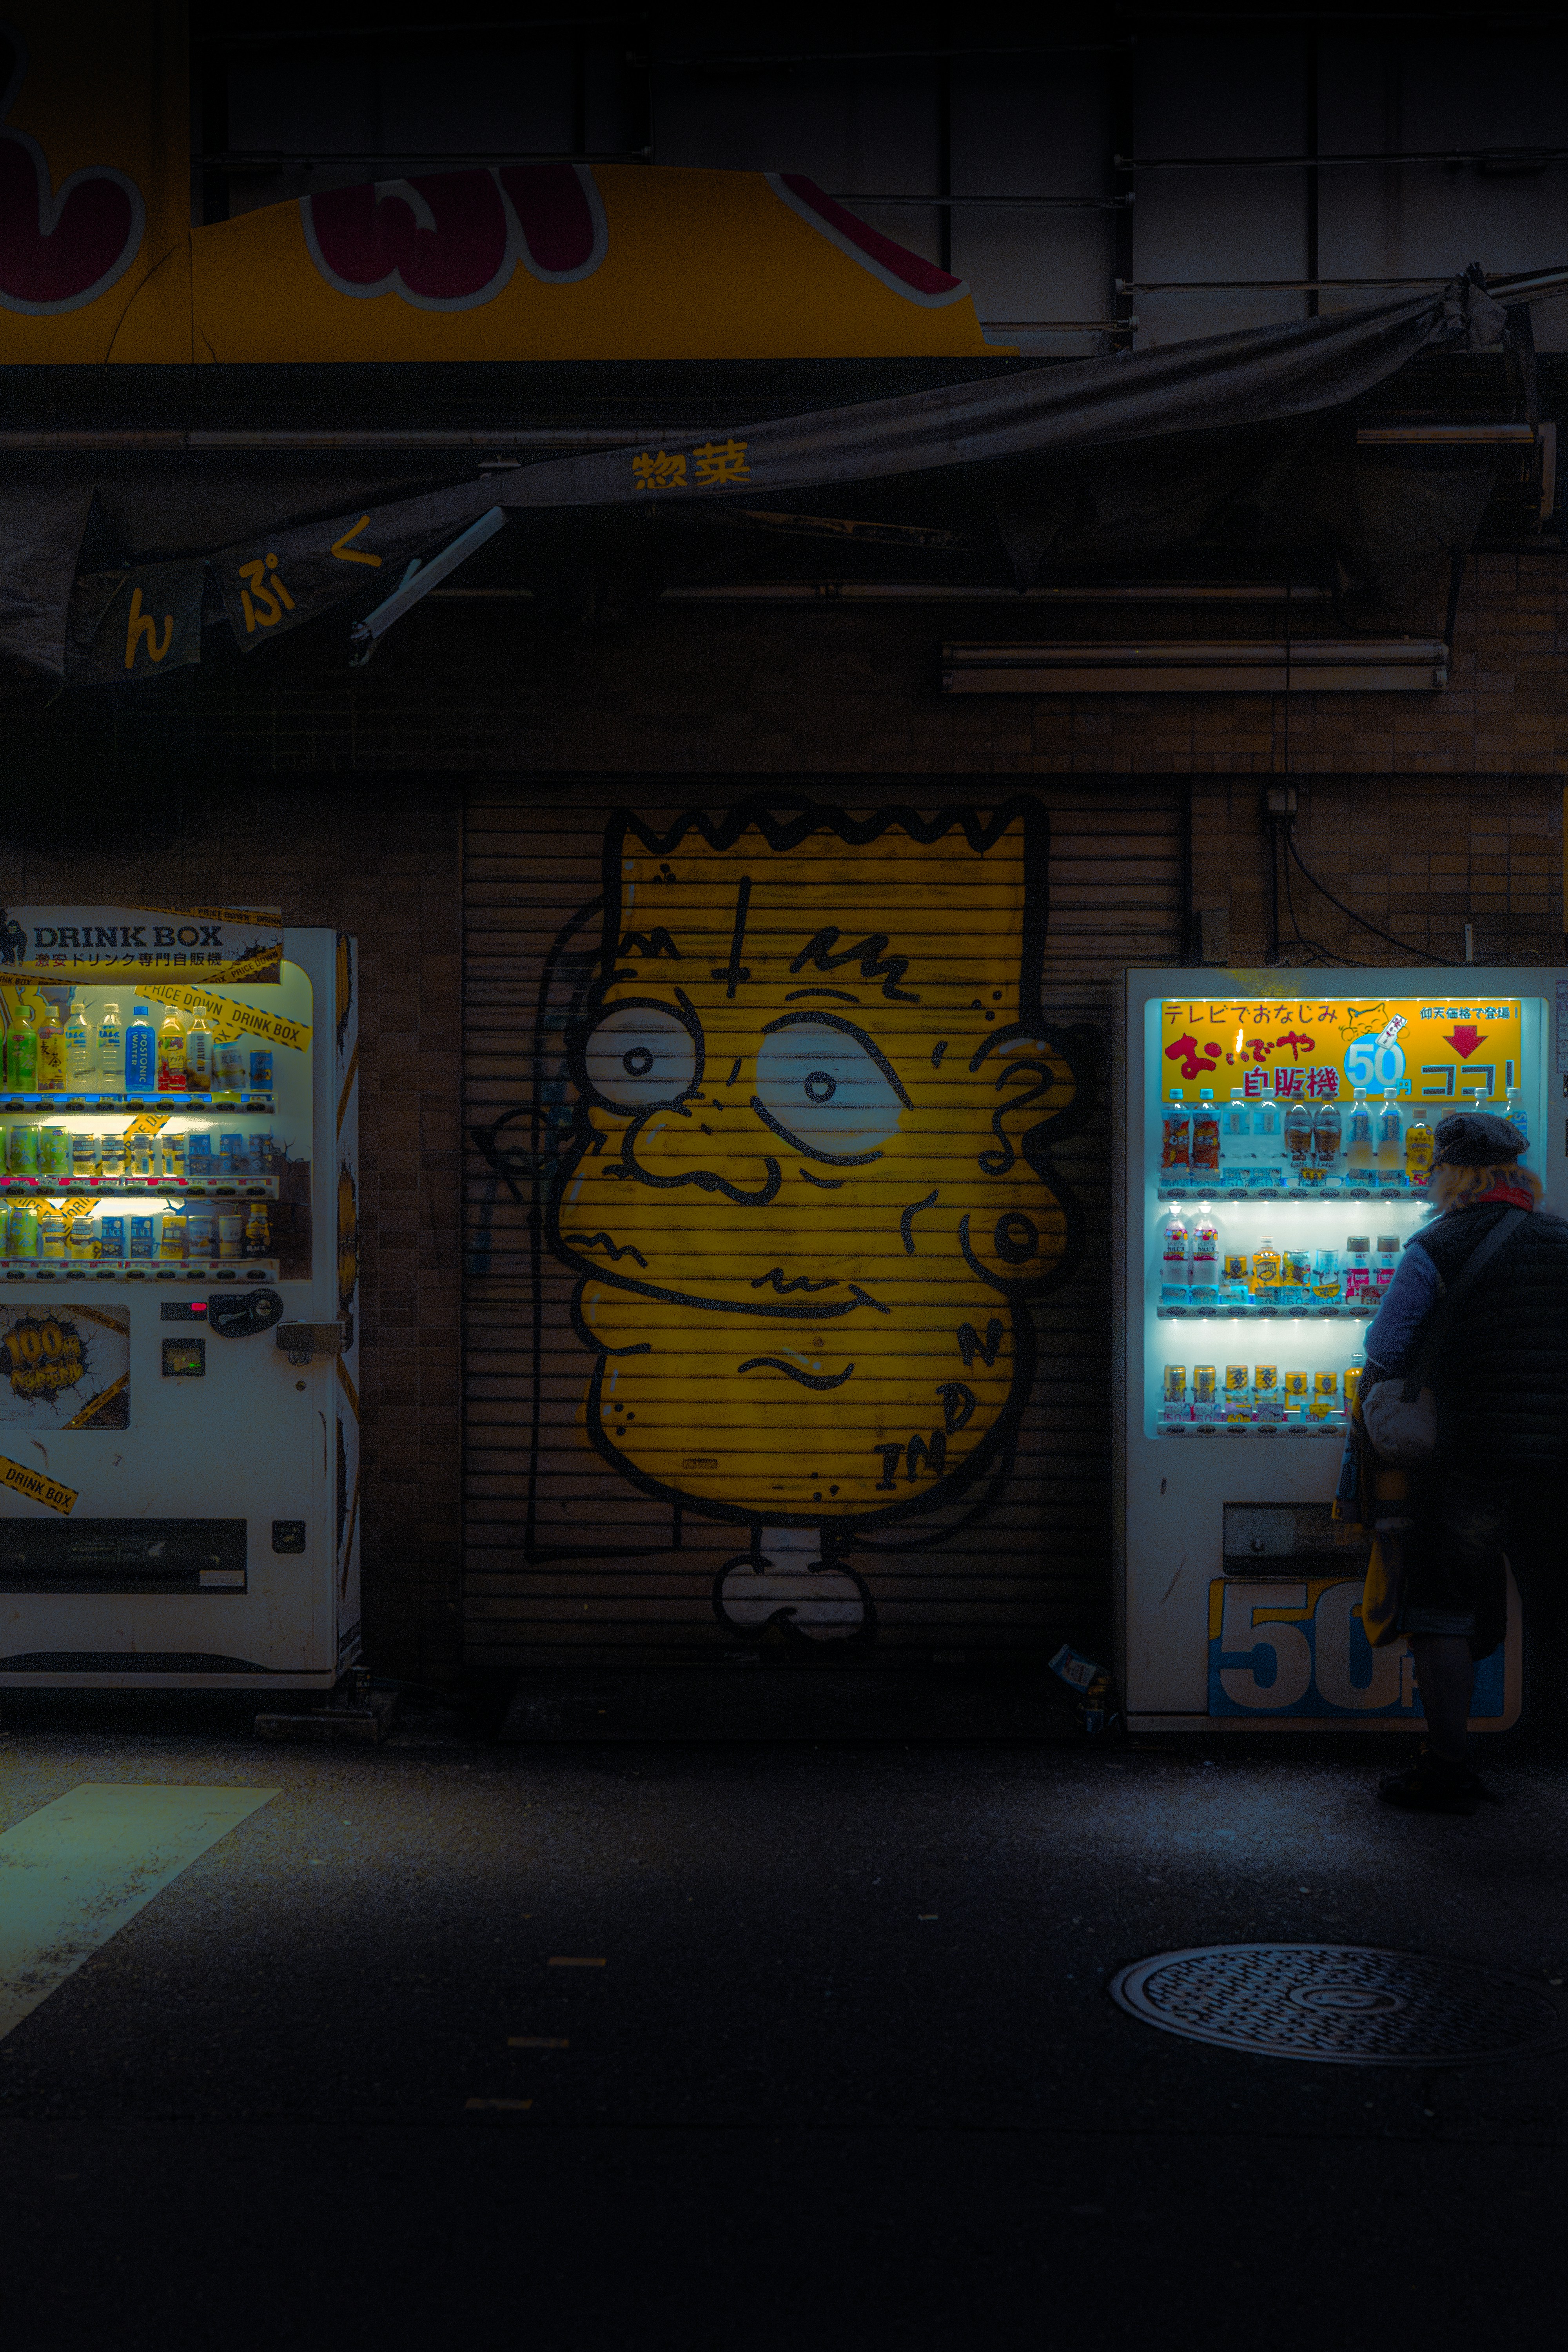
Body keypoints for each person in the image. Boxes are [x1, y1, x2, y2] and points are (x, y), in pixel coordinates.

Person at [1360, 1111, 1568, 1811]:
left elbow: (1386, 1347)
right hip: (1557, 1463)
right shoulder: (1563, 1242)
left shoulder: (1436, 1247)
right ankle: (1551, 1743)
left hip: (1470, 1459)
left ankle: (1448, 1766)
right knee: (1556, 1606)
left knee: (1442, 1610)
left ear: (1450, 1175)